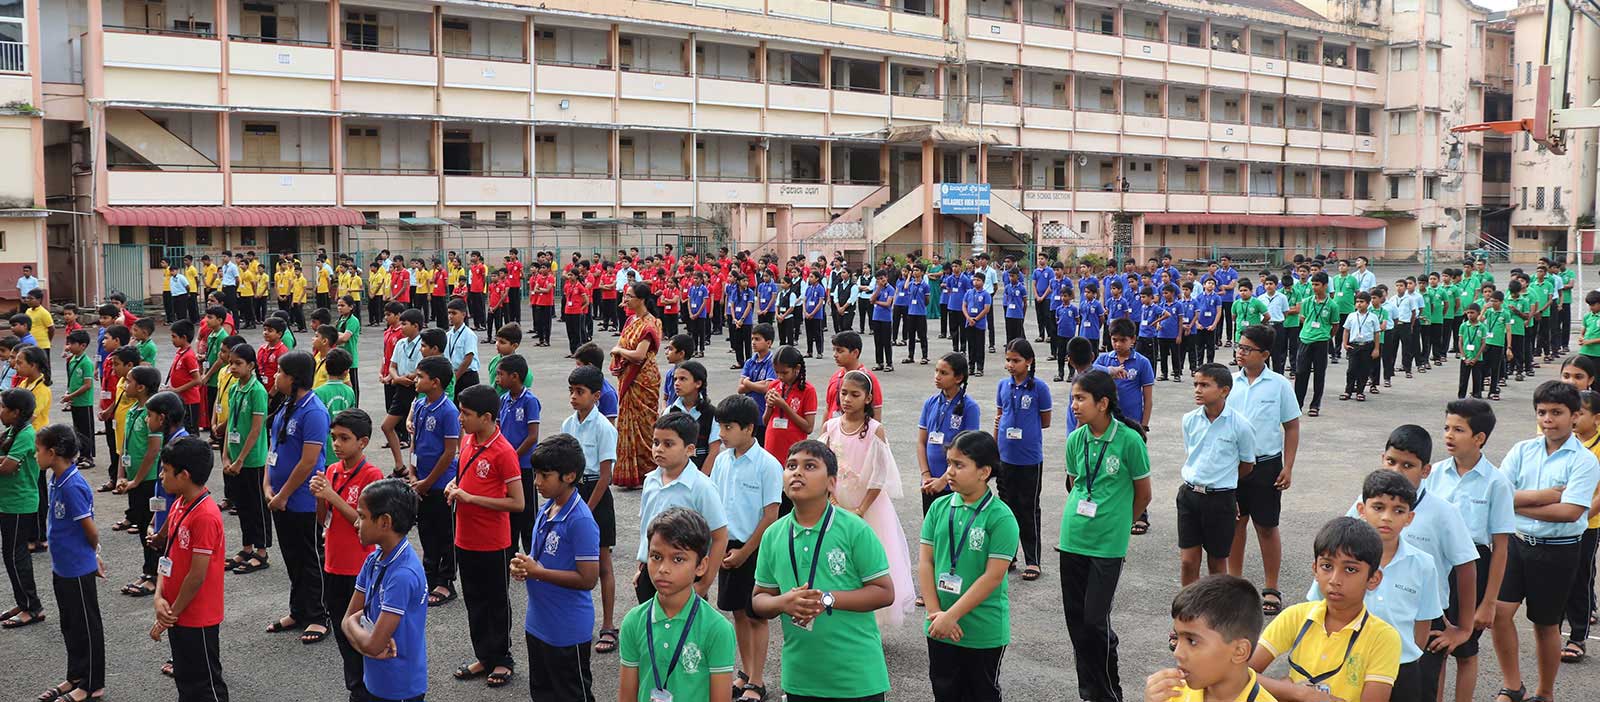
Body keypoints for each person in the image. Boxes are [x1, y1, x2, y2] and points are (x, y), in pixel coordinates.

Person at [751, 440, 894, 701]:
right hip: (800, 679)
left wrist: (826, 599)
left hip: (857, 678)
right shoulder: (773, 534)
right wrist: (783, 602)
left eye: (809, 466)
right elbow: (759, 599)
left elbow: (884, 592)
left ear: (831, 483)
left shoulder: (854, 529)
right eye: (791, 466)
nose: (797, 472)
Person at [1491, 380, 1599, 702]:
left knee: (1545, 624)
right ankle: (1513, 686)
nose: (1548, 419)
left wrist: (1517, 504)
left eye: (1556, 412)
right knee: (1499, 614)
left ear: (1575, 416)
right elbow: (1498, 494)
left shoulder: (1584, 460)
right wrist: (1543, 497)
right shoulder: (1522, 450)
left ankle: (1545, 693)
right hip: (1516, 544)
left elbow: (1570, 512)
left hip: (1558, 551)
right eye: (1541, 412)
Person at [1059, 370, 1151, 702]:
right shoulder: (1075, 439)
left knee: (1095, 622)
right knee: (1077, 624)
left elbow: (1144, 494)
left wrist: (1119, 525)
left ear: (1103, 403)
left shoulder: (1129, 440)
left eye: (1080, 399)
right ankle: (1090, 693)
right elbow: (1075, 484)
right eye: (1073, 398)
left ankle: (1108, 694)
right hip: (1073, 538)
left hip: (1107, 545)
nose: (1074, 405)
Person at [1316, 470, 1444, 700]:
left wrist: (1407, 655)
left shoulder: (1423, 564)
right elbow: (1316, 608)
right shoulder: (1338, 562)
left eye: (1398, 510)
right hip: (1345, 664)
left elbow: (1423, 623)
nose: (1387, 517)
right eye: (1378, 507)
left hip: (1402, 668)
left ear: (1410, 518)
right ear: (1361, 510)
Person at [1250, 517, 1401, 702]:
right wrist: (1299, 693)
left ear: (1373, 579)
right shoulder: (1295, 616)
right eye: (1327, 566)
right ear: (1315, 569)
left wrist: (1289, 692)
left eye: (1350, 569)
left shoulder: (1384, 637)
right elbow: (1239, 674)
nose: (1335, 580)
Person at [917, 430, 1017, 702]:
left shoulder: (1001, 517)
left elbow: (993, 577)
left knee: (981, 693)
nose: (949, 472)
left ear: (984, 472)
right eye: (949, 463)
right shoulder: (939, 508)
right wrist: (936, 613)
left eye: (959, 465)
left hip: (982, 631)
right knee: (944, 692)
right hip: (939, 626)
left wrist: (952, 616)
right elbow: (926, 562)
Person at [1424, 398, 1513, 702]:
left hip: (1474, 566)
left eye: (1458, 430)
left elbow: (1501, 547)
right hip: (1436, 564)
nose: (1449, 435)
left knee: (1465, 650)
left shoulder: (1496, 482)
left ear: (1479, 438)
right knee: (1434, 646)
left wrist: (1489, 602)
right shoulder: (1434, 473)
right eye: (1447, 428)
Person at [445, 385, 525, 689]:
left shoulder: (503, 451)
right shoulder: (468, 439)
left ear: (487, 417)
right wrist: (454, 485)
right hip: (465, 538)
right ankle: (484, 656)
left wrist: (470, 498)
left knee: (496, 602)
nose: (460, 418)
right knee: (474, 601)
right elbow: (464, 477)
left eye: (466, 413)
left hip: (493, 542)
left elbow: (517, 503)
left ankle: (502, 658)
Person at [820, 370, 915, 626]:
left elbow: (879, 476)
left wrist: (861, 509)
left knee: (867, 559)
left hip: (868, 506)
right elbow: (822, 466)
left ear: (868, 398)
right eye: (843, 393)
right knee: (836, 558)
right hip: (835, 502)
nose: (847, 399)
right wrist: (832, 500)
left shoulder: (874, 430)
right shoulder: (830, 426)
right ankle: (837, 611)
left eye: (854, 394)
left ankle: (870, 619)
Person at [510, 434, 600, 702]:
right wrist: (524, 565)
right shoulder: (547, 508)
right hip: (538, 624)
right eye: (536, 474)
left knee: (571, 695)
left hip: (567, 630)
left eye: (545, 475)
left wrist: (538, 572)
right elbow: (540, 558)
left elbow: (588, 579)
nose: (536, 482)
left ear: (569, 476)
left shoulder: (581, 520)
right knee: (542, 694)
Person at [618, 508, 736, 702]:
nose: (663, 569)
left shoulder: (717, 629)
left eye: (678, 559)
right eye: (656, 557)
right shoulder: (634, 621)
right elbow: (626, 696)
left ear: (701, 566)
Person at [707, 394, 782, 702]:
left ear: (749, 428)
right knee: (737, 611)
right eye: (720, 427)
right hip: (727, 546)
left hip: (755, 549)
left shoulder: (768, 465)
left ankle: (758, 681)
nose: (722, 434)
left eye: (728, 427)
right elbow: (714, 505)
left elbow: (771, 516)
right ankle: (746, 672)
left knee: (756, 615)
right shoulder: (722, 461)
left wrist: (745, 552)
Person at [1224, 324, 1301, 617]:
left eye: (1247, 349)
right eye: (1239, 347)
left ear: (1265, 354)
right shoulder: (1229, 383)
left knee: (1267, 526)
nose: (1240, 353)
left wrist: (1288, 467)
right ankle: (1234, 585)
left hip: (1267, 464)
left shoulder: (1279, 385)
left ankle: (1271, 587)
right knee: (1236, 524)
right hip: (1233, 465)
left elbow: (1291, 427)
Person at [308, 408, 382, 701]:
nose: (336, 444)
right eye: (334, 437)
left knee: (362, 632)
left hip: (358, 568)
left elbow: (363, 524)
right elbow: (323, 519)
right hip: (333, 564)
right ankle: (356, 687)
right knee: (342, 632)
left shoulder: (372, 476)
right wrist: (319, 497)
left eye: (344, 438)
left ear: (362, 442)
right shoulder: (332, 471)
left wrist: (331, 495)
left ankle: (370, 688)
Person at [151, 437, 230, 702]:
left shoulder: (205, 515)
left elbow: (197, 575)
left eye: (165, 470)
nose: (161, 476)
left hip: (197, 615)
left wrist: (169, 615)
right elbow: (167, 557)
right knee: (185, 680)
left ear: (184, 475)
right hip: (177, 611)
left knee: (206, 685)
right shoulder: (179, 504)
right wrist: (159, 596)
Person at [340, 477, 428, 702]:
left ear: (384, 522)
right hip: (376, 680)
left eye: (362, 516)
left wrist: (356, 629)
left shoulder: (403, 575)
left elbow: (372, 643)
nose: (356, 523)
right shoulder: (374, 559)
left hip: (400, 687)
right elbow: (346, 620)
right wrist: (357, 629)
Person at [265, 350, 331, 645]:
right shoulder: (286, 404)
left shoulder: (313, 411)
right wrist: (268, 485)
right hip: (280, 497)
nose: (275, 376)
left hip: (302, 499)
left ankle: (319, 615)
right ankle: (298, 610)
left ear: (294, 378)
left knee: (310, 558)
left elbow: (308, 462)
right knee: (291, 557)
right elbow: (273, 449)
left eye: (280, 372)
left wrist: (283, 495)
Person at [36, 424, 104, 702]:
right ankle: (76, 675)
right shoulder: (57, 478)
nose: (36, 455)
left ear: (52, 453)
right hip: (62, 566)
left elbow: (91, 530)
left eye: (38, 450)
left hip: (77, 568)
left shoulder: (73, 485)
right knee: (70, 624)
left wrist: (94, 555)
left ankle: (92, 684)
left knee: (87, 627)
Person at [634, 412, 726, 602]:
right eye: (656, 442)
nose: (659, 449)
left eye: (668, 444)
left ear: (689, 449)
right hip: (651, 573)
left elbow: (720, 537)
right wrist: (641, 565)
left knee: (684, 621)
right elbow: (646, 529)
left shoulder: (701, 487)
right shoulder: (650, 481)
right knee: (652, 619)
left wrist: (704, 584)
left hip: (685, 577)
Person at [1178, 363, 1255, 587]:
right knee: (1188, 561)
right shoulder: (1189, 420)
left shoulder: (1240, 426)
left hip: (1220, 499)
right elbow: (1193, 454)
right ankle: (1187, 604)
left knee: (1217, 562)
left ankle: (1216, 606)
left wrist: (1225, 483)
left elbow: (1247, 464)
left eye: (1204, 385)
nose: (1197, 390)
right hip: (1189, 495)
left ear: (1224, 391)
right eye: (1195, 384)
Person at [562, 365, 620, 655]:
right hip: (572, 492)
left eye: (580, 392)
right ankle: (574, 620)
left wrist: (585, 510)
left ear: (596, 396)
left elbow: (606, 476)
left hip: (596, 495)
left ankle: (608, 625)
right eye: (571, 391)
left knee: (603, 564)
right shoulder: (568, 425)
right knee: (571, 562)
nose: (574, 397)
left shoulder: (604, 428)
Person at [1142, 575, 1270, 702]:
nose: (1177, 653)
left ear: (1239, 651)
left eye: (1192, 641)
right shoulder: (1171, 693)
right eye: (1177, 637)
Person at [994, 339, 1050, 581]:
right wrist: (995, 449)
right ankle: (1009, 556)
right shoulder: (1003, 386)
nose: (1010, 365)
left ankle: (1033, 559)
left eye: (1016, 360)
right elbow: (999, 416)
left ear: (1029, 361)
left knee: (1028, 508)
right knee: (1005, 508)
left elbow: (1045, 421)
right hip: (1005, 457)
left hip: (1029, 459)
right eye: (1008, 360)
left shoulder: (1039, 388)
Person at [408, 356, 459, 607]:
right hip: (421, 482)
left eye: (420, 377)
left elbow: (449, 452)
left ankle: (446, 581)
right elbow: (415, 442)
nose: (415, 380)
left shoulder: (448, 411)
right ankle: (429, 575)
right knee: (426, 531)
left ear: (436, 382)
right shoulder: (419, 405)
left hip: (440, 484)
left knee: (445, 533)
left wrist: (428, 481)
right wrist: (412, 473)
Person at [221, 345, 271, 576]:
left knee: (257, 507)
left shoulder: (257, 391)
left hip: (252, 460)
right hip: (234, 458)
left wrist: (240, 459)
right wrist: (225, 455)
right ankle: (247, 547)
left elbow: (256, 428)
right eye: (231, 362)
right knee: (241, 505)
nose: (232, 367)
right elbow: (231, 423)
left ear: (251, 365)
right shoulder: (234, 388)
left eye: (238, 363)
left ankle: (261, 552)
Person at [608, 282, 662, 489]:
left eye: (629, 296)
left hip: (643, 379)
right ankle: (630, 475)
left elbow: (639, 355)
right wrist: (619, 352)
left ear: (641, 299)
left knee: (645, 425)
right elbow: (622, 344)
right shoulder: (631, 320)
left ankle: (648, 471)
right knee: (627, 423)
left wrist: (619, 351)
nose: (626, 299)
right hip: (628, 377)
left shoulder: (651, 323)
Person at [918, 353, 981, 516]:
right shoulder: (930, 403)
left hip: (954, 485)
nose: (937, 376)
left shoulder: (970, 407)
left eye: (943, 373)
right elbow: (921, 442)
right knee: (931, 527)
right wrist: (925, 475)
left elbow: (968, 450)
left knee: (952, 526)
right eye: (936, 371)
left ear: (958, 378)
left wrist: (943, 480)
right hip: (929, 484)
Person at [0, 387, 41, 629]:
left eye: (3, 407)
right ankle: (23, 602)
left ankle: (32, 607)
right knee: (11, 554)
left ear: (16, 412)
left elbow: (7, 468)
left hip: (19, 503)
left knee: (16, 556)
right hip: (8, 501)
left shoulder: (25, 434)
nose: (0, 411)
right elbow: (5, 463)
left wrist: (5, 463)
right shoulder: (12, 430)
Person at [495, 354, 541, 555]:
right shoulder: (503, 400)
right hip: (507, 467)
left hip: (524, 466)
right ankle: (510, 556)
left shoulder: (530, 401)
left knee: (528, 514)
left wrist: (512, 456)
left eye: (501, 374)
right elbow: (498, 429)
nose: (497, 379)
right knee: (510, 515)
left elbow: (532, 436)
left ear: (514, 376)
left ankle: (532, 556)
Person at [1293, 272, 1338, 416]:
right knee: (1301, 373)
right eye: (1312, 284)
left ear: (1325, 286)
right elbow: (1303, 318)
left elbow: (1335, 325)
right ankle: (1297, 405)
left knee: (1319, 374)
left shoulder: (1332, 305)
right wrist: (1309, 330)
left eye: (1317, 284)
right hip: (1305, 340)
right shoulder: (1307, 301)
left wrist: (1326, 335)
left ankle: (1315, 405)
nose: (1314, 287)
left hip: (1321, 342)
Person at [60, 331, 97, 472]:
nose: (69, 346)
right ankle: (82, 455)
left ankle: (88, 457)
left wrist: (71, 396)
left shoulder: (86, 362)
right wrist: (68, 394)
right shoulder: (72, 360)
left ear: (83, 345)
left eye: (72, 344)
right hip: (75, 401)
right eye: (68, 343)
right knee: (78, 430)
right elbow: (72, 381)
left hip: (84, 402)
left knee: (86, 431)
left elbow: (87, 385)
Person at [738, 325, 777, 443]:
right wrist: (757, 384)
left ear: (768, 343)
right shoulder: (749, 362)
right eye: (752, 339)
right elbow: (740, 389)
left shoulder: (772, 362)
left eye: (757, 339)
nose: (753, 342)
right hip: (749, 415)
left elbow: (767, 387)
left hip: (764, 414)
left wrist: (747, 383)